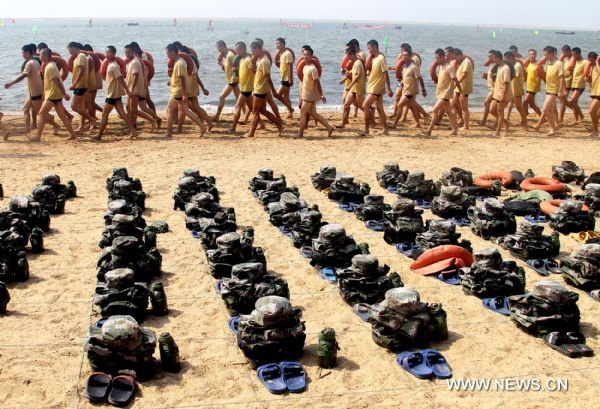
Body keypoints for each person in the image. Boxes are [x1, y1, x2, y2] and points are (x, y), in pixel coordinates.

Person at [4, 44, 59, 135]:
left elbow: (23, 76)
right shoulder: (35, 62)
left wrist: (11, 83)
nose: (22, 55)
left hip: (36, 92)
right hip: (32, 92)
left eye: (24, 52)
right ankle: (27, 129)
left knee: (40, 113)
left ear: (30, 53)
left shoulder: (30, 63)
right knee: (25, 108)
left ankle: (55, 124)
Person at [91, 46, 135, 140]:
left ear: (114, 54)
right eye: (106, 52)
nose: (106, 54)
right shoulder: (111, 65)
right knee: (122, 113)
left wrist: (127, 90)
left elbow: (120, 79)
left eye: (109, 52)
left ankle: (99, 135)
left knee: (104, 114)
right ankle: (133, 131)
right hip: (115, 94)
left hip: (112, 95)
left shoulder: (114, 66)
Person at [164, 43, 207, 138]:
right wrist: (171, 81)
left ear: (173, 52)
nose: (167, 55)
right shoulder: (181, 62)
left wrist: (184, 95)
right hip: (178, 90)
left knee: (169, 110)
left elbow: (182, 79)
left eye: (167, 53)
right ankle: (202, 126)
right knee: (186, 111)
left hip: (177, 91)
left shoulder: (179, 63)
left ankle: (168, 132)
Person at [244, 41, 284, 138]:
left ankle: (251, 133)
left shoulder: (264, 61)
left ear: (257, 49)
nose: (252, 54)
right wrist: (254, 69)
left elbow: (268, 77)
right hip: (260, 88)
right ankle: (279, 124)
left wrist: (273, 91)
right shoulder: (260, 60)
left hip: (260, 89)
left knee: (256, 111)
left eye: (253, 51)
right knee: (262, 111)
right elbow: (261, 74)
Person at [34, 48, 75, 141]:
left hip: (53, 95)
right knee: (62, 116)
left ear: (45, 56)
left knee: (41, 113)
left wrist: (64, 94)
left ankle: (38, 136)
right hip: (55, 95)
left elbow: (57, 81)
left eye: (41, 55)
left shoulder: (51, 67)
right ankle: (72, 134)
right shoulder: (51, 65)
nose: (39, 56)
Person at [297, 45, 334, 138]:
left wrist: (321, 95)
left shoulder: (313, 69)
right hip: (306, 93)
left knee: (303, 112)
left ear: (312, 56)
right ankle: (329, 127)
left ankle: (300, 133)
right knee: (313, 113)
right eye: (304, 55)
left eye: (307, 55)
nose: (305, 57)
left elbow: (318, 83)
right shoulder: (305, 67)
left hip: (310, 94)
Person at [423, 48, 461, 136]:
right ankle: (454, 130)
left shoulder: (449, 67)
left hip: (445, 94)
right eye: (435, 57)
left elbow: (455, 79)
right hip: (441, 93)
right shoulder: (441, 66)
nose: (435, 59)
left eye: (437, 57)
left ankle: (429, 131)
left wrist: (460, 91)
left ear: (442, 57)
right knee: (449, 112)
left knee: (434, 110)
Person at [362, 40, 392, 136]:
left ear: (374, 47)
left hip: (376, 87)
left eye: (369, 48)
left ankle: (366, 130)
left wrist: (388, 88)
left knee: (365, 106)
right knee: (379, 109)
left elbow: (385, 73)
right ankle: (385, 129)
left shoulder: (381, 58)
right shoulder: (373, 58)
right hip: (373, 86)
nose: (368, 50)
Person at [534, 46, 566, 136]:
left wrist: (560, 91)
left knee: (545, 109)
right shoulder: (548, 63)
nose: (544, 57)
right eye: (544, 55)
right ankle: (553, 128)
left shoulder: (559, 63)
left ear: (552, 54)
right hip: (548, 89)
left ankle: (552, 129)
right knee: (550, 110)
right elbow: (545, 75)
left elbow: (562, 78)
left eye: (546, 55)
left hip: (554, 90)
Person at [125, 44, 157, 131]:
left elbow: (135, 75)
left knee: (133, 110)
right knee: (140, 107)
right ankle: (155, 118)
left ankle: (152, 120)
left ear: (133, 52)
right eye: (125, 52)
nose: (127, 54)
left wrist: (131, 88)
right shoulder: (134, 61)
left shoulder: (135, 62)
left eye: (128, 52)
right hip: (136, 89)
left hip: (134, 90)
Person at [181, 45, 213, 131]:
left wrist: (203, 88)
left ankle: (180, 127)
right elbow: (197, 77)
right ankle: (209, 122)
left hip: (188, 87)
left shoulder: (184, 62)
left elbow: (183, 77)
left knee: (184, 108)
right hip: (194, 86)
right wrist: (203, 88)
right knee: (195, 106)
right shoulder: (192, 61)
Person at [67, 42, 96, 131]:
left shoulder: (81, 57)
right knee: (82, 106)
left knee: (73, 106)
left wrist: (74, 83)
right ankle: (82, 126)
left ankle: (91, 119)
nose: (70, 53)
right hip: (81, 85)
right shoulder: (80, 57)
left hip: (80, 85)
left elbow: (81, 70)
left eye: (70, 51)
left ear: (75, 48)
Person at [392, 49, 424, 129]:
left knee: (399, 105)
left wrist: (423, 89)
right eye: (403, 55)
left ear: (410, 56)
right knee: (412, 108)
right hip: (405, 90)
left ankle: (394, 124)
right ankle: (418, 123)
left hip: (410, 92)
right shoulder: (405, 67)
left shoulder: (414, 67)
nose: (404, 57)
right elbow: (405, 78)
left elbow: (420, 78)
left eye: (406, 55)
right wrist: (402, 82)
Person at [229, 41, 256, 133]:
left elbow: (254, 71)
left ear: (243, 49)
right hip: (244, 87)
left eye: (238, 50)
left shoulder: (248, 59)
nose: (236, 52)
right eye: (236, 50)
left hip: (246, 88)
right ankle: (262, 124)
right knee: (253, 109)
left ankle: (233, 128)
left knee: (237, 106)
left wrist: (254, 69)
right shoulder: (241, 59)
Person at [133, 45, 162, 128]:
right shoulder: (139, 59)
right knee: (141, 105)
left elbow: (139, 73)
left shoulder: (139, 60)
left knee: (138, 105)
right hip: (142, 84)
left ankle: (154, 119)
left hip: (140, 85)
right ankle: (155, 118)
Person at [338, 45, 367, 128]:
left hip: (359, 88)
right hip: (353, 89)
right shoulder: (354, 62)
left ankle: (372, 121)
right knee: (346, 104)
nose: (347, 58)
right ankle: (343, 123)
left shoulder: (358, 63)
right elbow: (352, 74)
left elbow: (357, 76)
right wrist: (344, 80)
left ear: (352, 55)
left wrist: (350, 85)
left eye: (348, 56)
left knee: (363, 107)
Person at [214, 40, 240, 121]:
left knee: (221, 96)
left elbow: (237, 66)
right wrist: (221, 65)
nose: (218, 50)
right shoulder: (225, 56)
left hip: (232, 80)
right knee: (239, 98)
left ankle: (217, 116)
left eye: (218, 48)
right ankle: (246, 114)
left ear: (222, 46)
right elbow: (228, 69)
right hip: (231, 80)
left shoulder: (230, 55)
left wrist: (237, 78)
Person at [488, 51, 513, 136]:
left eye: (493, 58)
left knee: (500, 112)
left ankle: (497, 132)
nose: (493, 60)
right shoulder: (499, 67)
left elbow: (506, 83)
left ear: (498, 58)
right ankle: (506, 122)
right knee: (491, 110)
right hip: (497, 93)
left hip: (503, 94)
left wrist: (503, 95)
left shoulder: (506, 68)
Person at [505, 51, 528, 131]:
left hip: (517, 89)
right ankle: (505, 119)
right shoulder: (512, 65)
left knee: (519, 107)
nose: (507, 61)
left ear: (511, 58)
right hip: (512, 89)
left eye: (507, 59)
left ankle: (525, 124)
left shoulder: (517, 65)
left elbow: (514, 76)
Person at [452, 48, 473, 130]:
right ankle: (458, 121)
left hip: (464, 88)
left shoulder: (467, 62)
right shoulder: (461, 62)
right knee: (452, 104)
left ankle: (466, 126)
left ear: (459, 55)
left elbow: (464, 75)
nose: (455, 60)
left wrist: (457, 82)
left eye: (455, 57)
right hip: (458, 87)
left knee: (464, 108)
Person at [275, 37, 294, 118]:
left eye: (278, 43)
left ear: (283, 44)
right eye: (276, 44)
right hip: (283, 78)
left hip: (287, 79)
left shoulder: (287, 53)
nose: (276, 45)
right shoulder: (281, 54)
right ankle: (290, 113)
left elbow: (290, 66)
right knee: (286, 97)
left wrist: (290, 79)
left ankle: (290, 109)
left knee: (277, 95)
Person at [566, 47, 586, 124]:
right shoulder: (575, 62)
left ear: (579, 53)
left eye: (574, 54)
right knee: (575, 103)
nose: (573, 56)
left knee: (572, 101)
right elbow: (571, 70)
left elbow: (587, 73)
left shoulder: (584, 62)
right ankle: (576, 119)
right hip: (574, 84)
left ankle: (581, 116)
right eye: (572, 54)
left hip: (580, 85)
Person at [478, 50, 497, 127]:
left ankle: (502, 121)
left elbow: (497, 79)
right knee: (489, 106)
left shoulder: (496, 66)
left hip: (494, 89)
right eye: (488, 56)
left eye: (490, 56)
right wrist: (487, 77)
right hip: (491, 88)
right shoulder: (492, 65)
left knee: (488, 104)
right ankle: (485, 121)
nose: (488, 58)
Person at [523, 49, 542, 117]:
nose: (532, 56)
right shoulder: (529, 64)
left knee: (525, 102)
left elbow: (542, 75)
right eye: (530, 54)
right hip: (529, 87)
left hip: (534, 87)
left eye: (533, 54)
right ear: (528, 55)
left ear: (536, 55)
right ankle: (542, 116)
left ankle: (524, 118)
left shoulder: (538, 64)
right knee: (532, 105)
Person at [559, 45, 573, 123]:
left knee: (563, 100)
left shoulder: (573, 59)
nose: (563, 54)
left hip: (569, 82)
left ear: (568, 51)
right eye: (562, 52)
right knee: (562, 100)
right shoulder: (565, 59)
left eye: (564, 52)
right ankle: (575, 109)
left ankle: (561, 118)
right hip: (564, 82)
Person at [588, 53, 600, 137]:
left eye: (591, 60)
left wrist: (597, 63)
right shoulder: (592, 67)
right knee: (593, 112)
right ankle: (594, 129)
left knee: (592, 111)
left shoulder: (597, 66)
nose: (589, 61)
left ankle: (595, 130)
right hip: (594, 91)